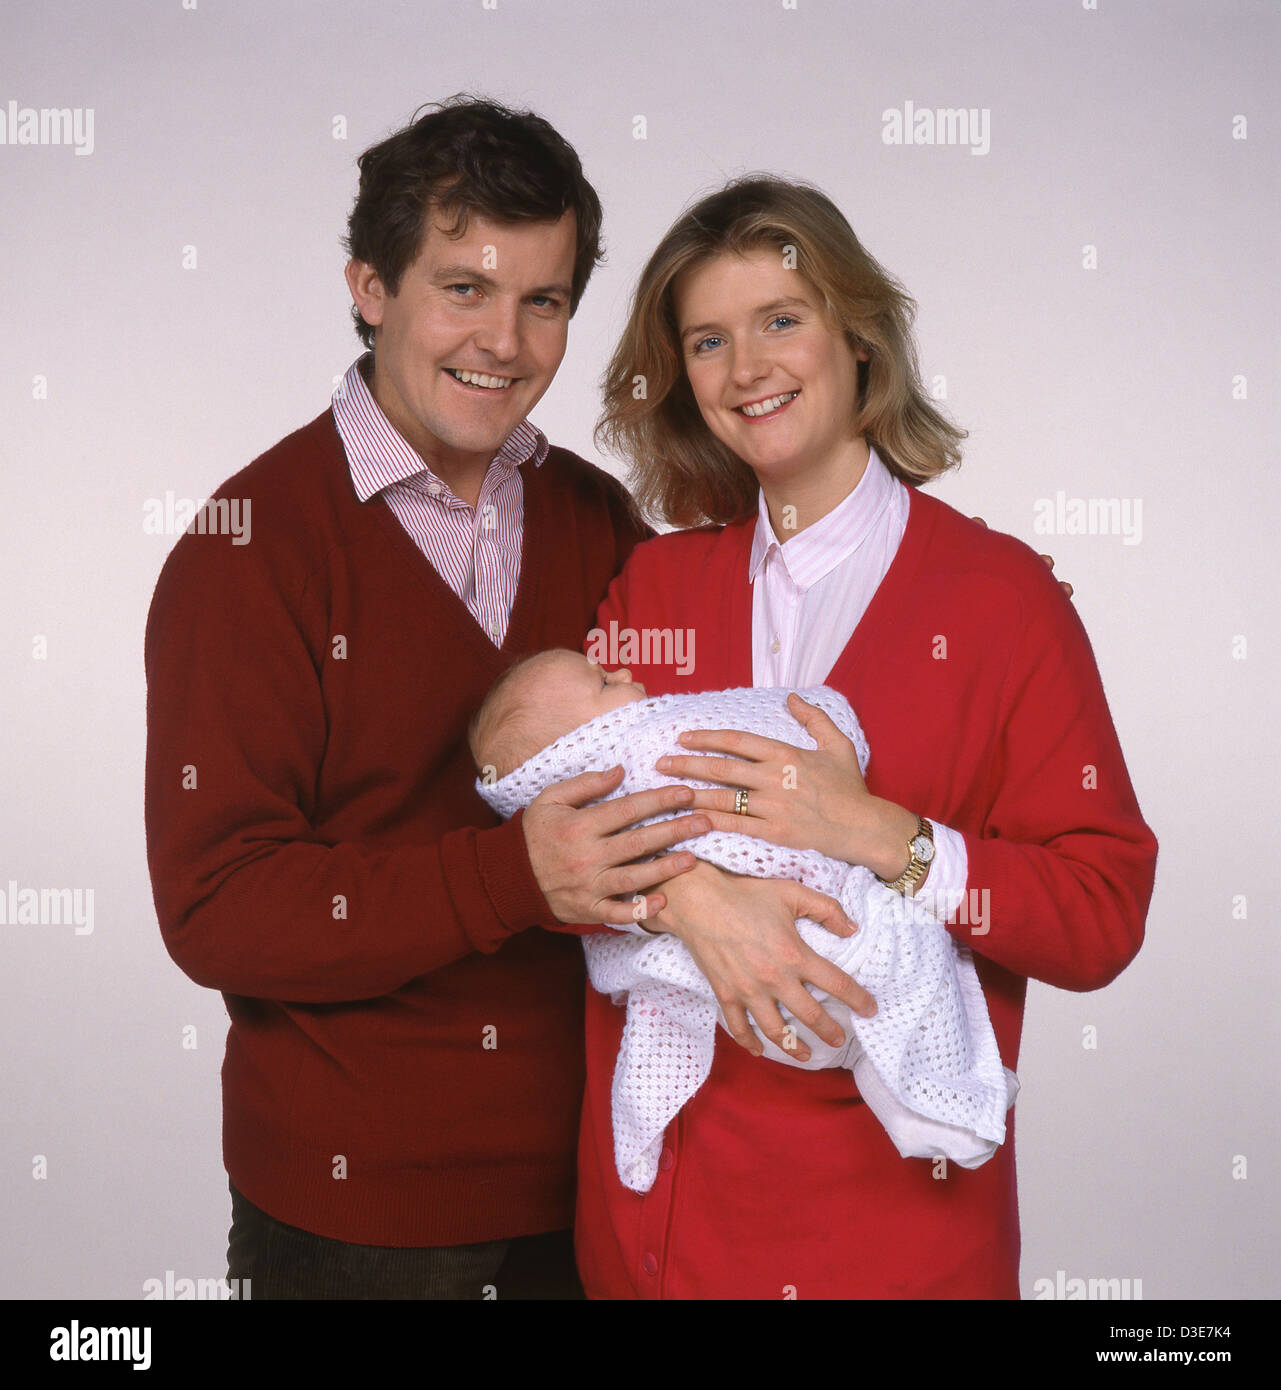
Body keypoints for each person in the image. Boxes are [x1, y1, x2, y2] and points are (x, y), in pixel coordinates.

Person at [142, 96, 715, 1300]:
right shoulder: (249, 548)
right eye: (464, 288)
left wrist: (962, 598)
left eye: (544, 300)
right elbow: (216, 905)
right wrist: (515, 877)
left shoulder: (593, 519)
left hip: (598, 1185)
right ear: (370, 286)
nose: (503, 340)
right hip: (360, 1221)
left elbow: (723, 705)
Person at [567, 175, 1159, 1299]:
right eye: (707, 340)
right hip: (663, 1237)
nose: (747, 369)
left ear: (860, 339)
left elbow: (1099, 915)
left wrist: (887, 835)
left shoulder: (1002, 603)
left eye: (781, 320)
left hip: (895, 1246)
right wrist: (691, 899)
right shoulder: (653, 585)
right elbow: (558, 830)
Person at [467, 648, 1019, 1194]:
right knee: (897, 937)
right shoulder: (651, 738)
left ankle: (916, 1092)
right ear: (576, 748)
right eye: (604, 685)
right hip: (781, 966)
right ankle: (940, 1095)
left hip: (746, 1006)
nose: (623, 670)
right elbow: (805, 726)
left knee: (859, 999)